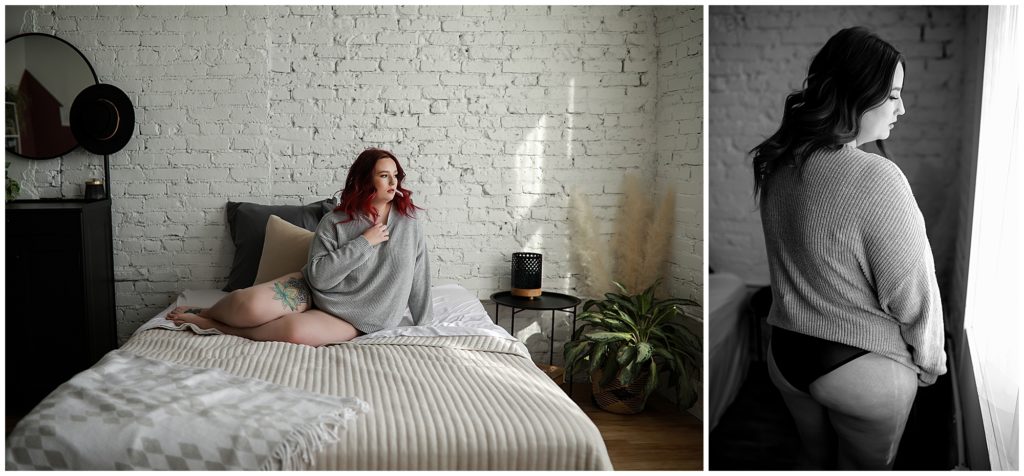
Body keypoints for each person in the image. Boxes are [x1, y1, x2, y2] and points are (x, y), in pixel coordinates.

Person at [750, 27, 946, 470]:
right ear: (860, 91)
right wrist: (931, 361)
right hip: (861, 369)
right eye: (893, 95)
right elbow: (913, 291)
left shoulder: (779, 163)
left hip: (786, 357)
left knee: (816, 464)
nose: (903, 108)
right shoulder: (878, 178)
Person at [168, 148, 433, 346]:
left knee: (292, 333)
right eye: (384, 176)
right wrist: (365, 242)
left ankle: (215, 325)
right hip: (312, 289)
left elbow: (419, 274)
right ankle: (206, 311)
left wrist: (426, 325)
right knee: (246, 304)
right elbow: (319, 277)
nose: (393, 183)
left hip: (357, 318)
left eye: (395, 176)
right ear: (365, 181)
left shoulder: (409, 223)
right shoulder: (335, 221)